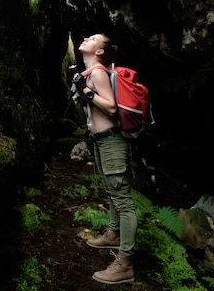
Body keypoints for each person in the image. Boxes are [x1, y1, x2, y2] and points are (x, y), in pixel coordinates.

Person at [73, 33, 137, 284]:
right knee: (112, 192)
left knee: (123, 199)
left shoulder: (98, 72)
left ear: (100, 52)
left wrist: (86, 91)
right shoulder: (90, 73)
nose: (86, 38)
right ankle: (113, 233)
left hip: (112, 140)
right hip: (102, 141)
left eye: (92, 39)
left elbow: (110, 107)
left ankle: (125, 263)